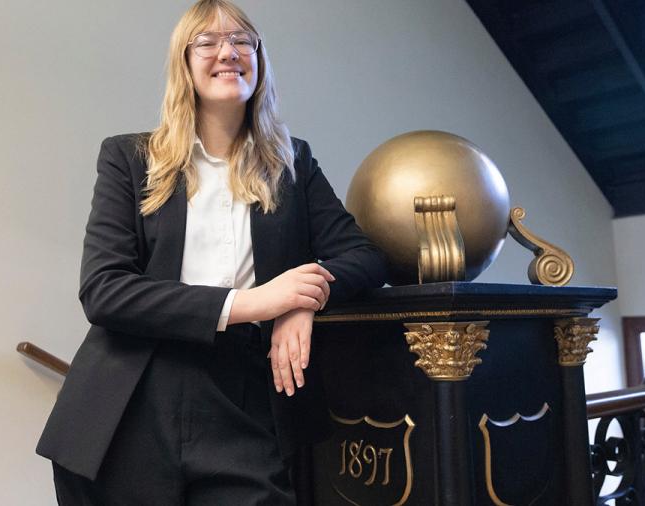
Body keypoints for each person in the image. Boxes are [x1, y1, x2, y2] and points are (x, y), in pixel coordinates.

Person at [35, 1, 387, 504]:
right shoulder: (130, 159)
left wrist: (301, 300)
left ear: (259, 59)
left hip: (246, 395)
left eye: (243, 40)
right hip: (132, 401)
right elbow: (104, 291)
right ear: (184, 61)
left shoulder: (292, 163)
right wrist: (258, 303)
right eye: (208, 41)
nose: (228, 51)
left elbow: (364, 256)